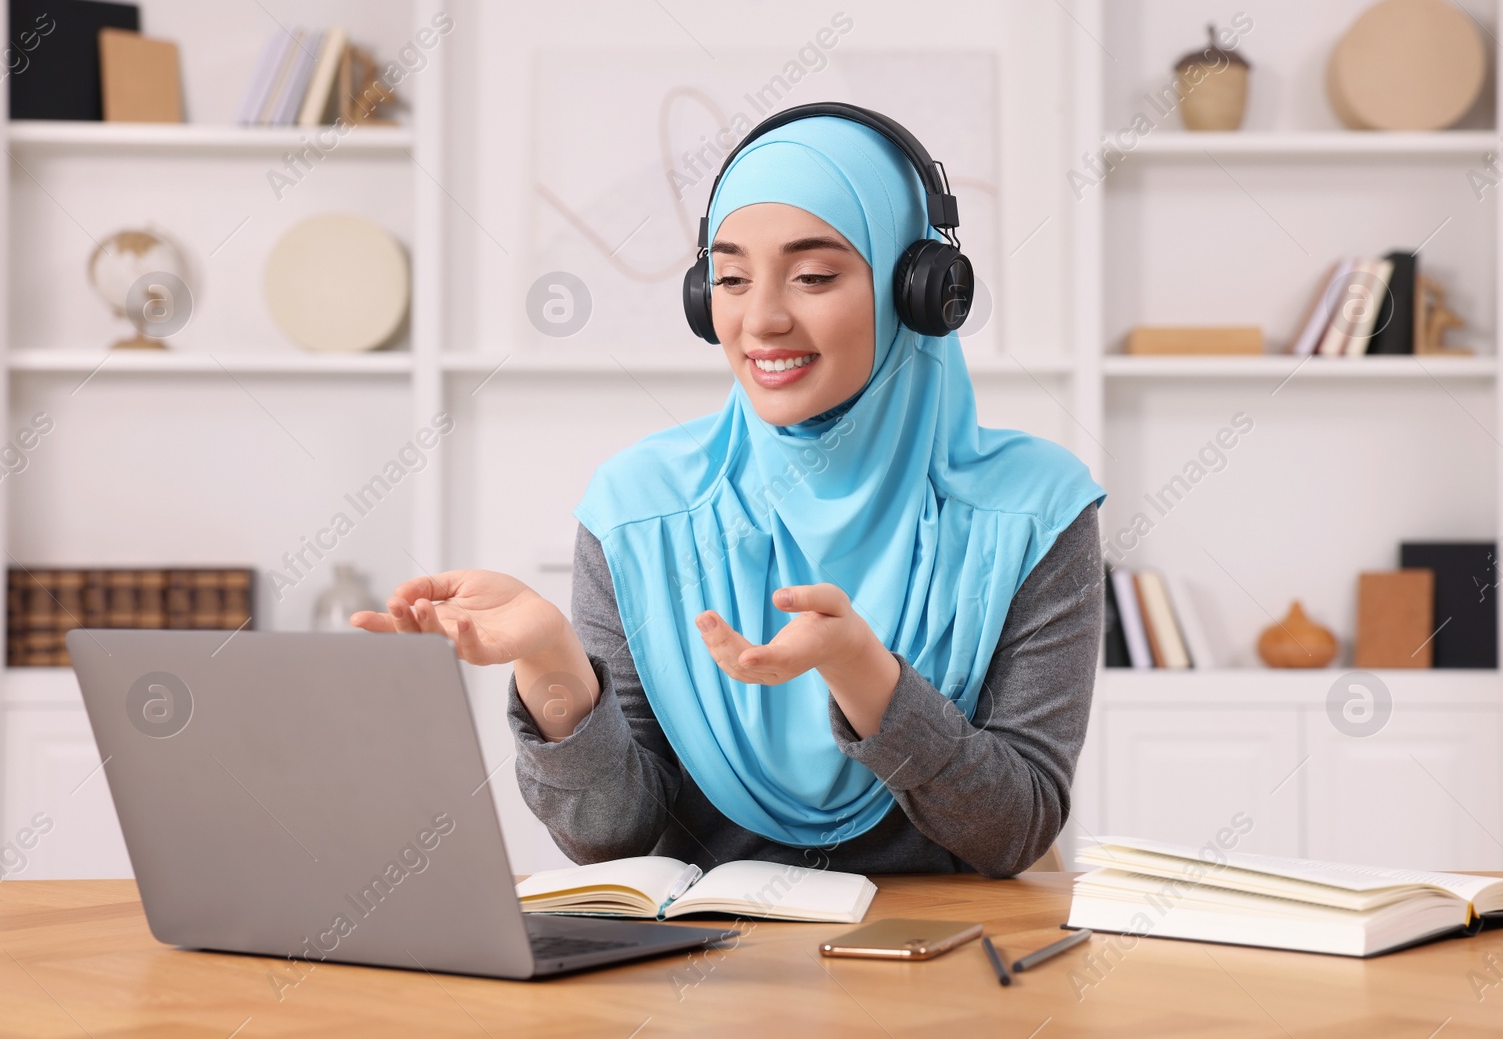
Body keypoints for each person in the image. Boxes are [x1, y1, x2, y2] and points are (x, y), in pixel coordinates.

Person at [352, 110, 1107, 878]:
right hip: (703, 976)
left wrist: (863, 673)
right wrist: (554, 662)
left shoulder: (1034, 512)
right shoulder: (641, 509)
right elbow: (610, 839)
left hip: (939, 969)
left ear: (917, 291)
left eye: (813, 276)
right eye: (732, 277)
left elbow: (1013, 832)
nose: (762, 319)